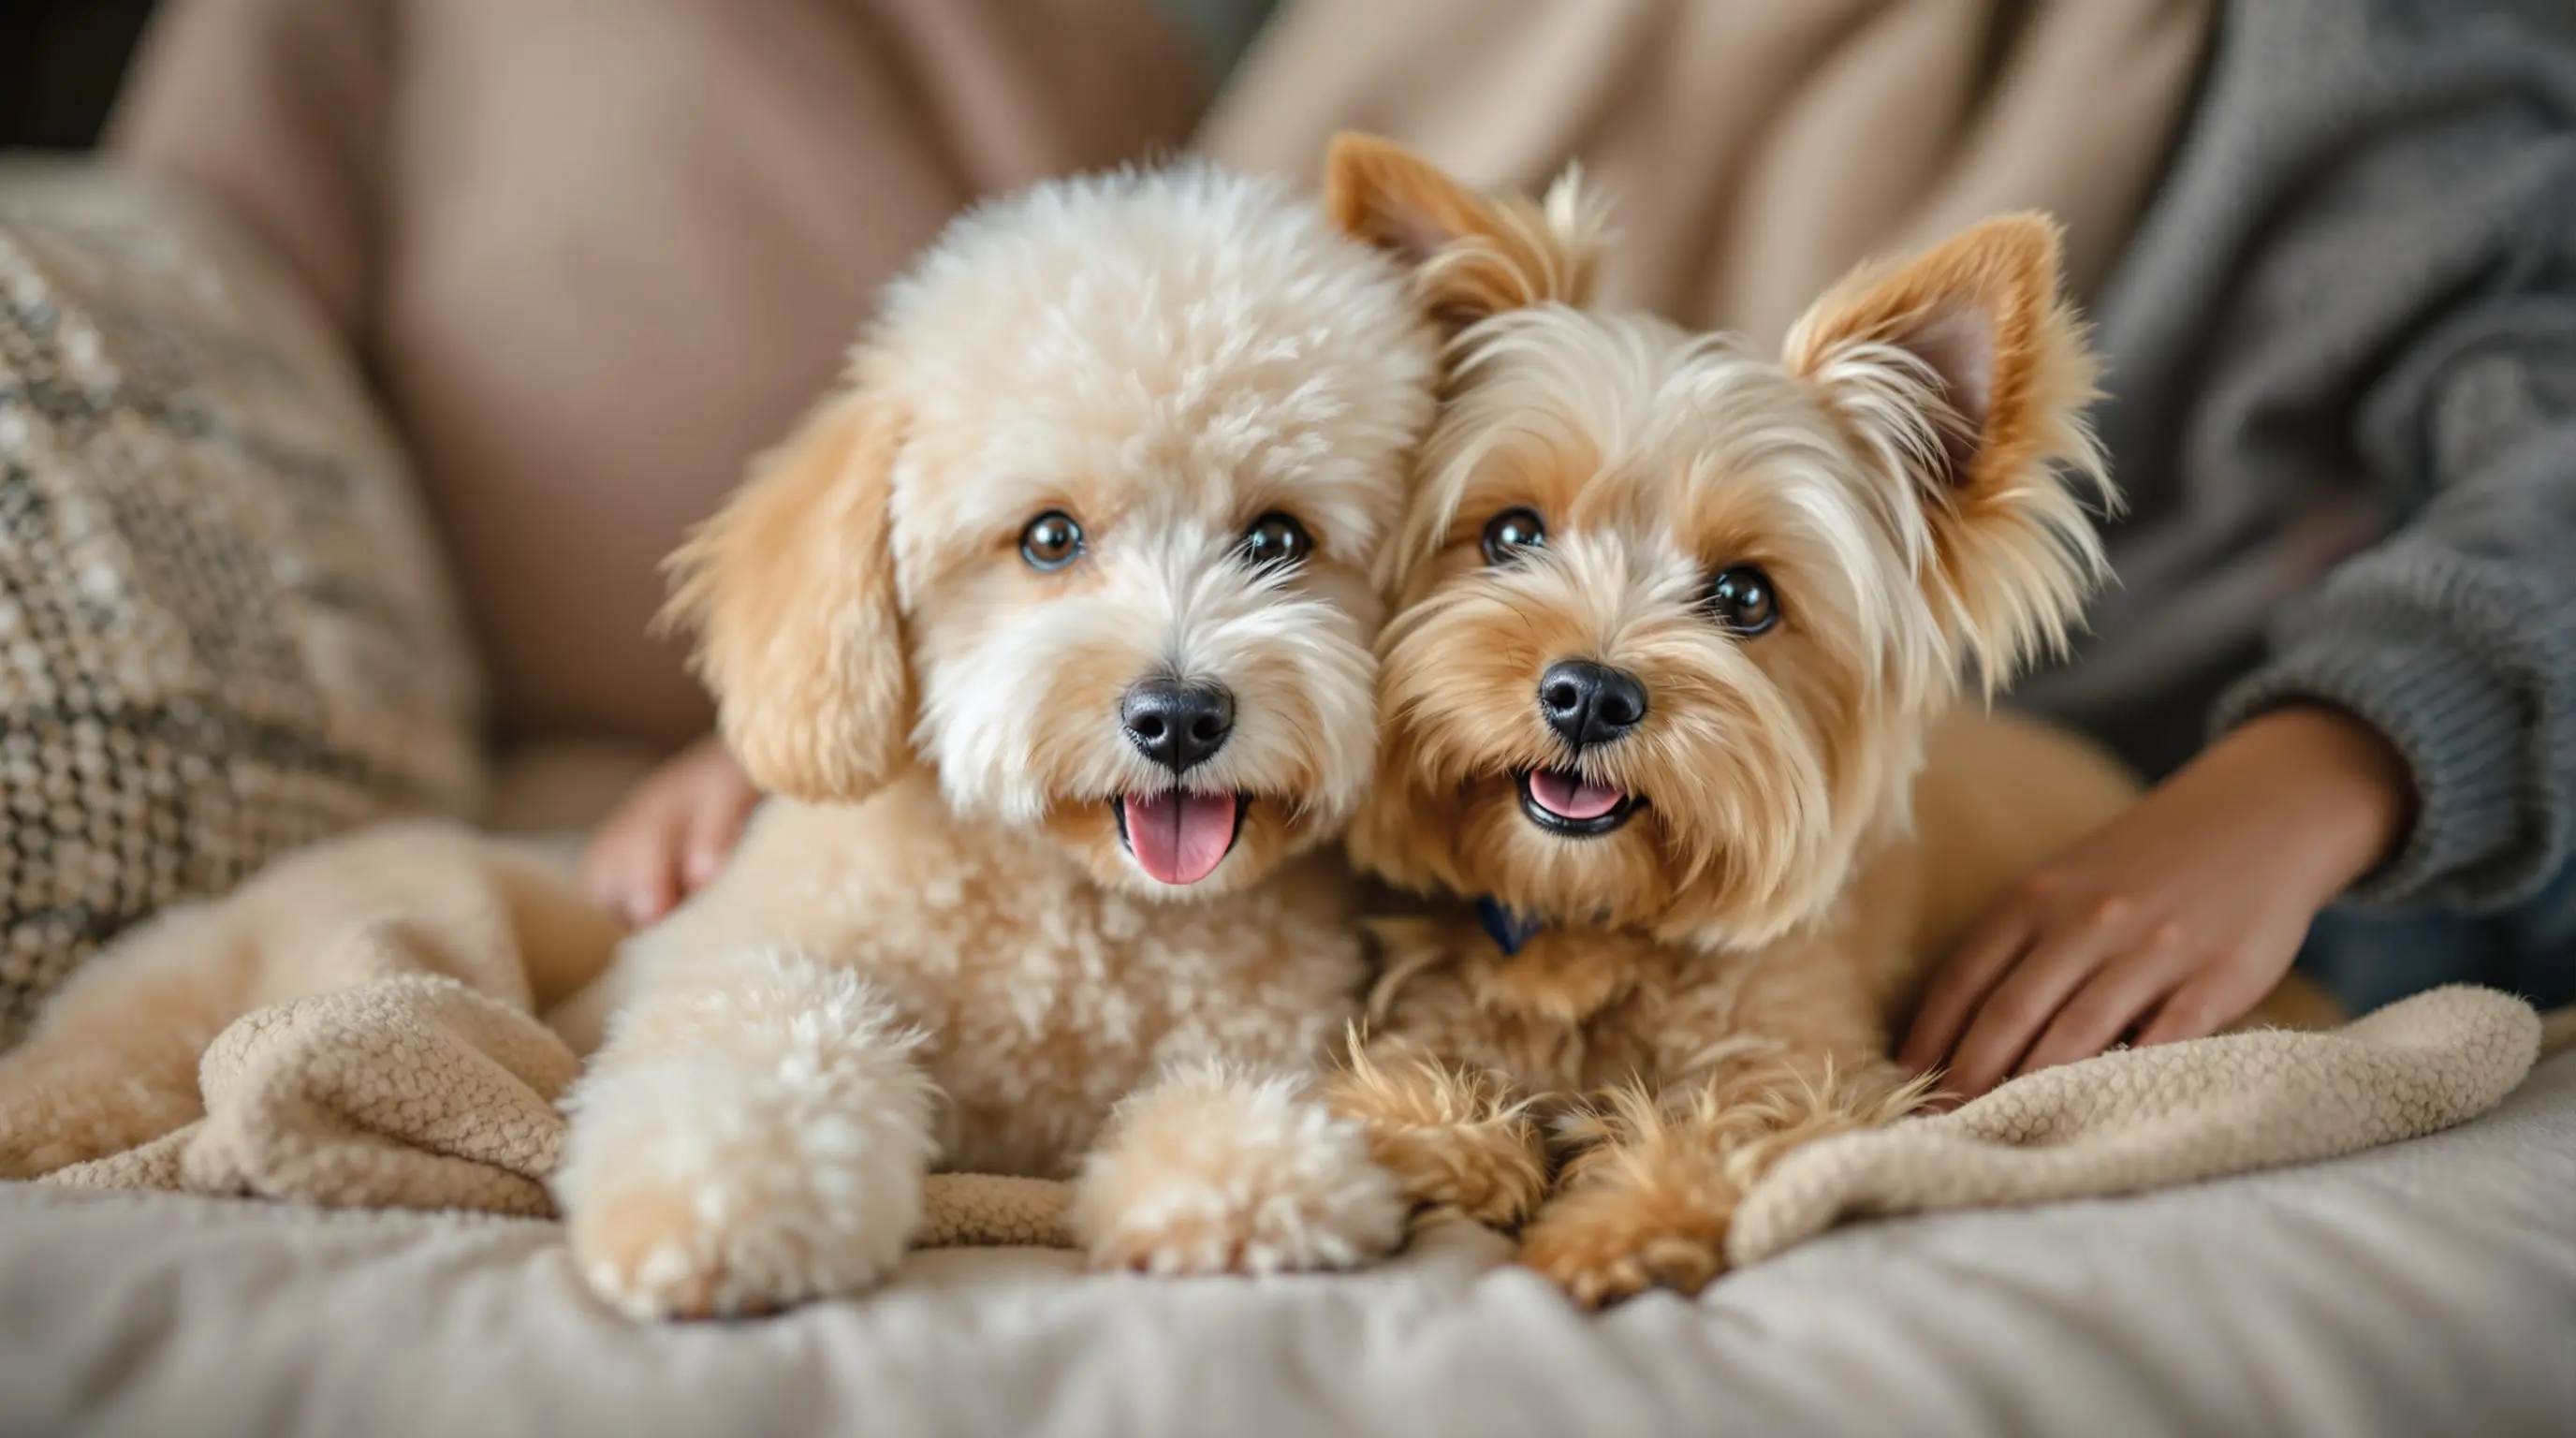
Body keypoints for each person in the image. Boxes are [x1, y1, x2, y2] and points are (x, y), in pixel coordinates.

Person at [110, 0, 2576, 1095]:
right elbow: (1167, 477)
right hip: (1348, 770)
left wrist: (2321, 773)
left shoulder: (2364, 68)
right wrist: (835, 705)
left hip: (2108, 822)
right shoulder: (1307, 173)